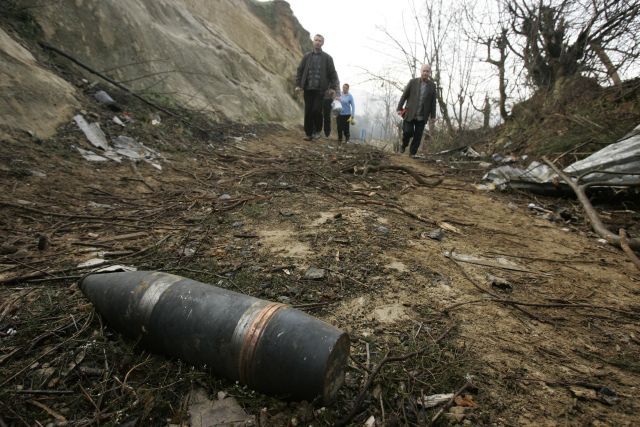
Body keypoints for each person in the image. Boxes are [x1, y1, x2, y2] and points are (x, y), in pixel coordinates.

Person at [295, 34, 340, 141]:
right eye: (316, 40)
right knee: (308, 111)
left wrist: (333, 88)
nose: (317, 42)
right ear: (313, 41)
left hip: (321, 90)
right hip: (308, 89)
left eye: (320, 41)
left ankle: (317, 131)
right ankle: (308, 133)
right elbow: (300, 70)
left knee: (316, 110)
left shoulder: (328, 58)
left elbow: (333, 74)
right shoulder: (306, 57)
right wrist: (298, 85)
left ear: (322, 43)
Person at [396, 64, 437, 155]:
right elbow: (404, 96)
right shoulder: (412, 82)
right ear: (421, 71)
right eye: (424, 71)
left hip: (422, 115)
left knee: (418, 137)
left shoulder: (432, 86)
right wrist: (399, 108)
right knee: (407, 132)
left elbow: (433, 102)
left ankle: (412, 154)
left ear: (430, 73)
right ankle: (404, 145)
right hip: (410, 113)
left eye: (427, 71)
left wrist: (433, 116)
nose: (425, 73)